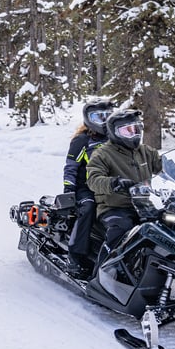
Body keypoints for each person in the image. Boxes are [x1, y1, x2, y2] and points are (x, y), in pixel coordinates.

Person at [86, 108, 163, 267]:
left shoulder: (146, 152)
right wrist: (114, 183)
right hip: (114, 207)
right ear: (115, 133)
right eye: (128, 131)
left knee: (170, 225)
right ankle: (100, 274)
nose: (134, 134)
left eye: (136, 129)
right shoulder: (103, 154)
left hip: (143, 205)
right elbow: (93, 179)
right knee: (122, 230)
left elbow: (165, 167)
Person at [61, 98, 114, 278]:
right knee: (89, 207)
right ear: (89, 119)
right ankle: (74, 255)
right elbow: (71, 167)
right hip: (86, 188)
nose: (104, 121)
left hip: (110, 187)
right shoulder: (82, 140)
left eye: (108, 116)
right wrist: (69, 189)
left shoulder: (116, 140)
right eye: (99, 117)